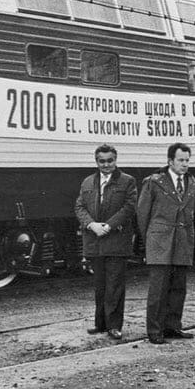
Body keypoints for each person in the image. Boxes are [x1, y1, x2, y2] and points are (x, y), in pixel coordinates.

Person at [75, 144, 138, 340]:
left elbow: (129, 207)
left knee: (115, 286)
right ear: (96, 162)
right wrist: (91, 224)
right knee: (100, 285)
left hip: (116, 241)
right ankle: (101, 324)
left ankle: (114, 326)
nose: (106, 165)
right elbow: (79, 207)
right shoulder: (87, 182)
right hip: (95, 241)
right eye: (102, 161)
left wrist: (108, 226)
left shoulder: (127, 181)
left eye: (110, 161)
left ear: (115, 160)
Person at [137, 143, 195, 344]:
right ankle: (154, 330)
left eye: (187, 160)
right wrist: (149, 241)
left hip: (182, 240)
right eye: (181, 160)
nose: (185, 164)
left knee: (179, 287)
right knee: (158, 289)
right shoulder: (154, 182)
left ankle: (173, 327)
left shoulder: (192, 182)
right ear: (170, 161)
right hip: (160, 241)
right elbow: (142, 214)